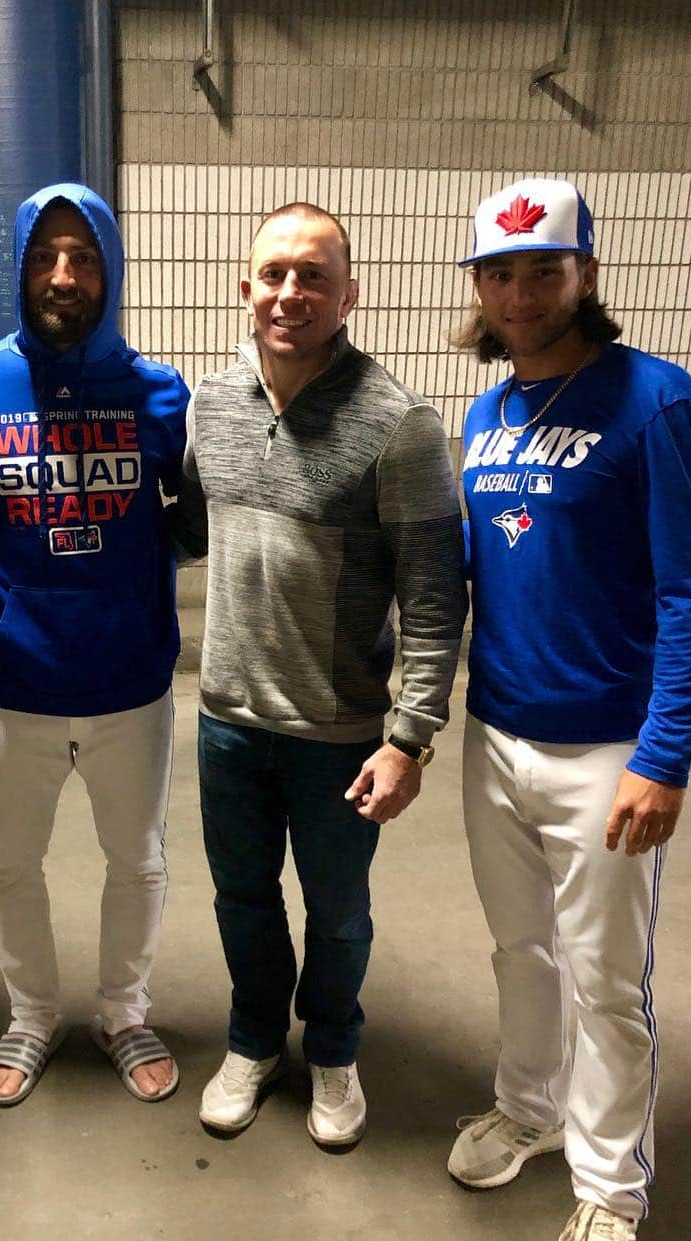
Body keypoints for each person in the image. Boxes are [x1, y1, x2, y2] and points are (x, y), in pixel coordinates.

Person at [447, 178, 691, 1241]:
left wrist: (663, 756)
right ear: (479, 287)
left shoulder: (656, 402)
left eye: (544, 269)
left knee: (608, 981)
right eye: (500, 274)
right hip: (497, 732)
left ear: (588, 274)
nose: (521, 294)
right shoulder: (488, 414)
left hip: (608, 748)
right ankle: (529, 1106)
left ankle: (611, 1185)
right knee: (523, 950)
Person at [170, 202, 467, 1146]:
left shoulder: (399, 425)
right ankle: (255, 1039)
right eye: (274, 274)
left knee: (337, 912)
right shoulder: (210, 405)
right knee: (242, 897)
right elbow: (184, 530)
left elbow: (432, 598)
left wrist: (410, 737)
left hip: (340, 734)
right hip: (228, 719)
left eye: (313, 276)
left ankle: (333, 1050)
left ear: (349, 293)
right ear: (245, 286)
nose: (290, 293)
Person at [0, 183, 188, 1107]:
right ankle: (31, 1014)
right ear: (21, 268)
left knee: (139, 860)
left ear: (108, 270)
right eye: (46, 256)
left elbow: (195, 523)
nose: (64, 275)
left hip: (131, 686)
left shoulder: (160, 394)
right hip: (10, 685)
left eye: (82, 257)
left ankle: (124, 1010)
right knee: (10, 864)